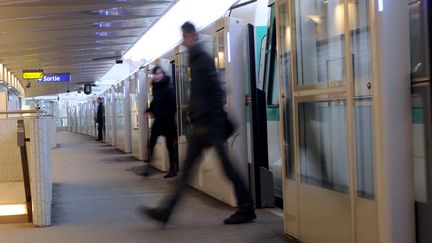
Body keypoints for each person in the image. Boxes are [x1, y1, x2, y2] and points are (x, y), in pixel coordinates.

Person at [140, 21, 256, 225]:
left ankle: (246, 208)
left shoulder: (201, 58)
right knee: (189, 173)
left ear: (191, 36)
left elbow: (213, 88)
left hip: (209, 123)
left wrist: (204, 114)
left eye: (185, 38)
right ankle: (166, 212)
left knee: (223, 169)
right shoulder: (196, 59)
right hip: (203, 123)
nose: (184, 43)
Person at [145, 65, 178, 178]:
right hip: (159, 121)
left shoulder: (168, 88)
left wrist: (163, 113)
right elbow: (155, 101)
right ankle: (149, 166)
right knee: (151, 142)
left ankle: (172, 169)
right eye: (155, 74)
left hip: (167, 121)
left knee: (170, 146)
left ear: (163, 74)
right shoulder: (155, 87)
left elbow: (173, 106)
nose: (157, 76)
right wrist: (150, 109)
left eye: (159, 74)